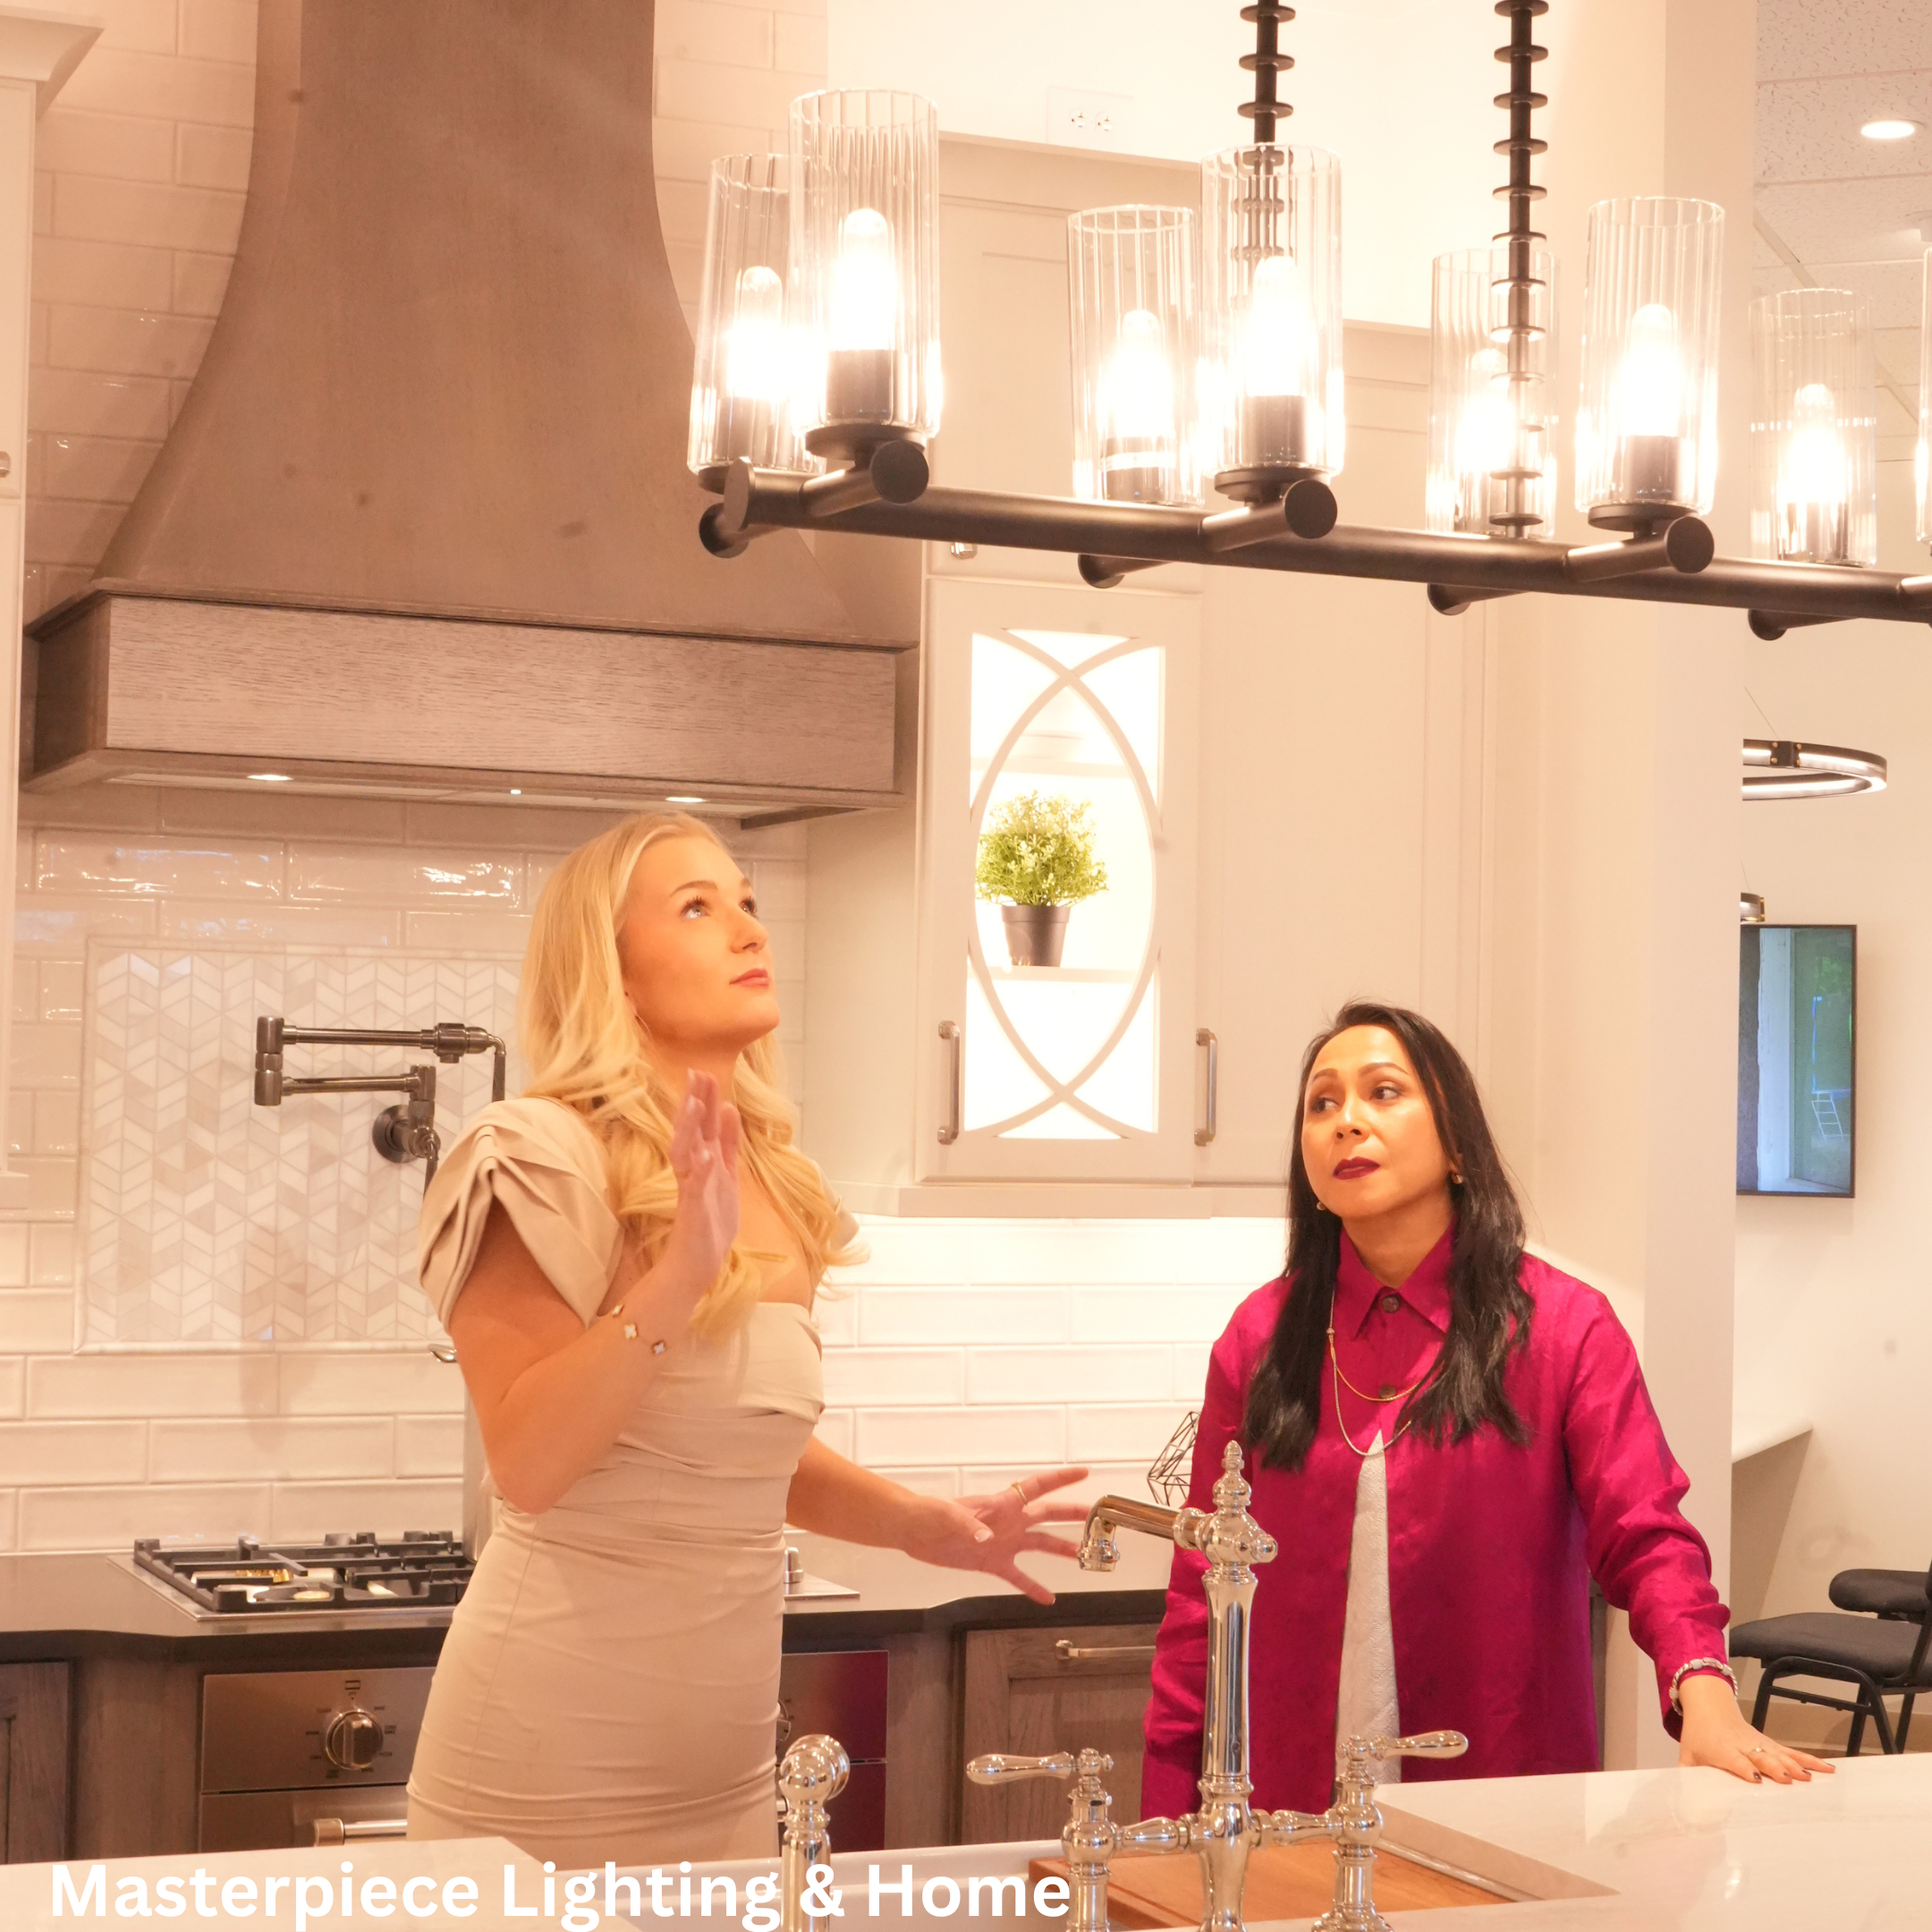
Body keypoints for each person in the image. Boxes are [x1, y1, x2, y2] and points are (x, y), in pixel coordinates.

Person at [406, 810, 1087, 1867]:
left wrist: (923, 1526)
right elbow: (530, 1465)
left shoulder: (773, 1177)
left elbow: (729, 1454)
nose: (748, 931)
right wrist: (682, 1272)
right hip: (544, 1769)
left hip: (722, 1780)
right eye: (697, 907)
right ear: (614, 973)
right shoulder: (533, 1155)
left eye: (750, 904)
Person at [1142, 1000, 1831, 1817]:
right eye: (1321, 1103)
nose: (1345, 1122)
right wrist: (1164, 1806)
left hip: (1504, 1793)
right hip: (1286, 1806)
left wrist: (1703, 1690)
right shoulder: (1261, 1338)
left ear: (1459, 1144)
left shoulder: (1565, 1328)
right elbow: (1201, 1595)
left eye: (1383, 1092)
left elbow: (1646, 1534)